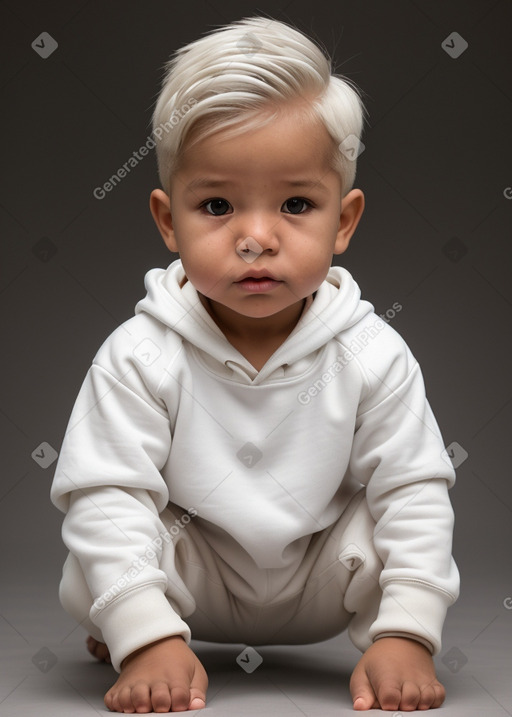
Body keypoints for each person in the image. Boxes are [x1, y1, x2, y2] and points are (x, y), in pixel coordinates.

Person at [51, 15, 459, 713]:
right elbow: (105, 492)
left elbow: (414, 489)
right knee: (97, 555)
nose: (256, 239)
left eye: (296, 204)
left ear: (345, 220)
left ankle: (392, 636)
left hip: (324, 580)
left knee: (396, 503)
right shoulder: (140, 352)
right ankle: (140, 631)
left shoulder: (371, 351)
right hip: (192, 572)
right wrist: (143, 630)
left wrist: (410, 630)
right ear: (168, 220)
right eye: (217, 205)